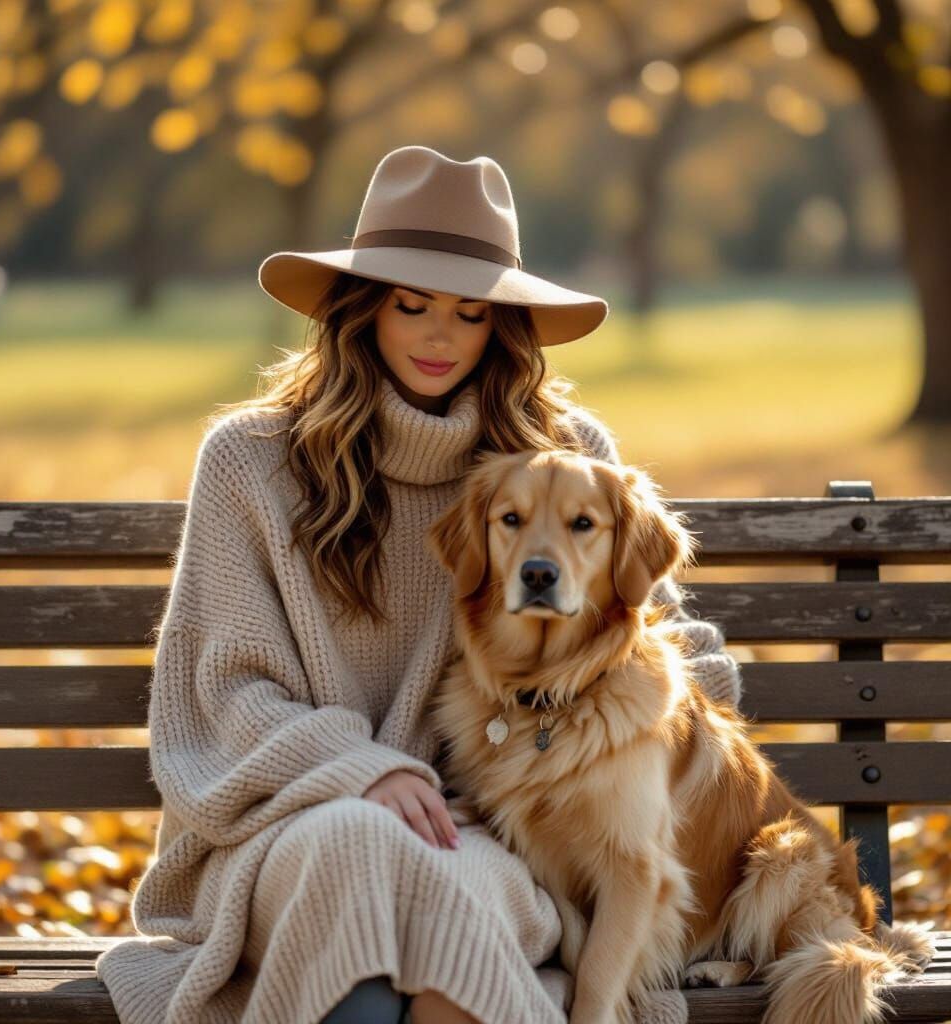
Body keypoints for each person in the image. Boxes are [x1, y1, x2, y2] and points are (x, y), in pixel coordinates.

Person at [94, 145, 743, 1024]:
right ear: (361, 309)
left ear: (501, 325)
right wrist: (363, 770)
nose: (440, 336)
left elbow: (656, 652)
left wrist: (544, 784)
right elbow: (225, 694)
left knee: (456, 885)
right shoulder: (250, 460)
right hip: (288, 822)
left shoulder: (563, 456)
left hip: (494, 830)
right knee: (361, 843)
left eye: (471, 313)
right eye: (412, 305)